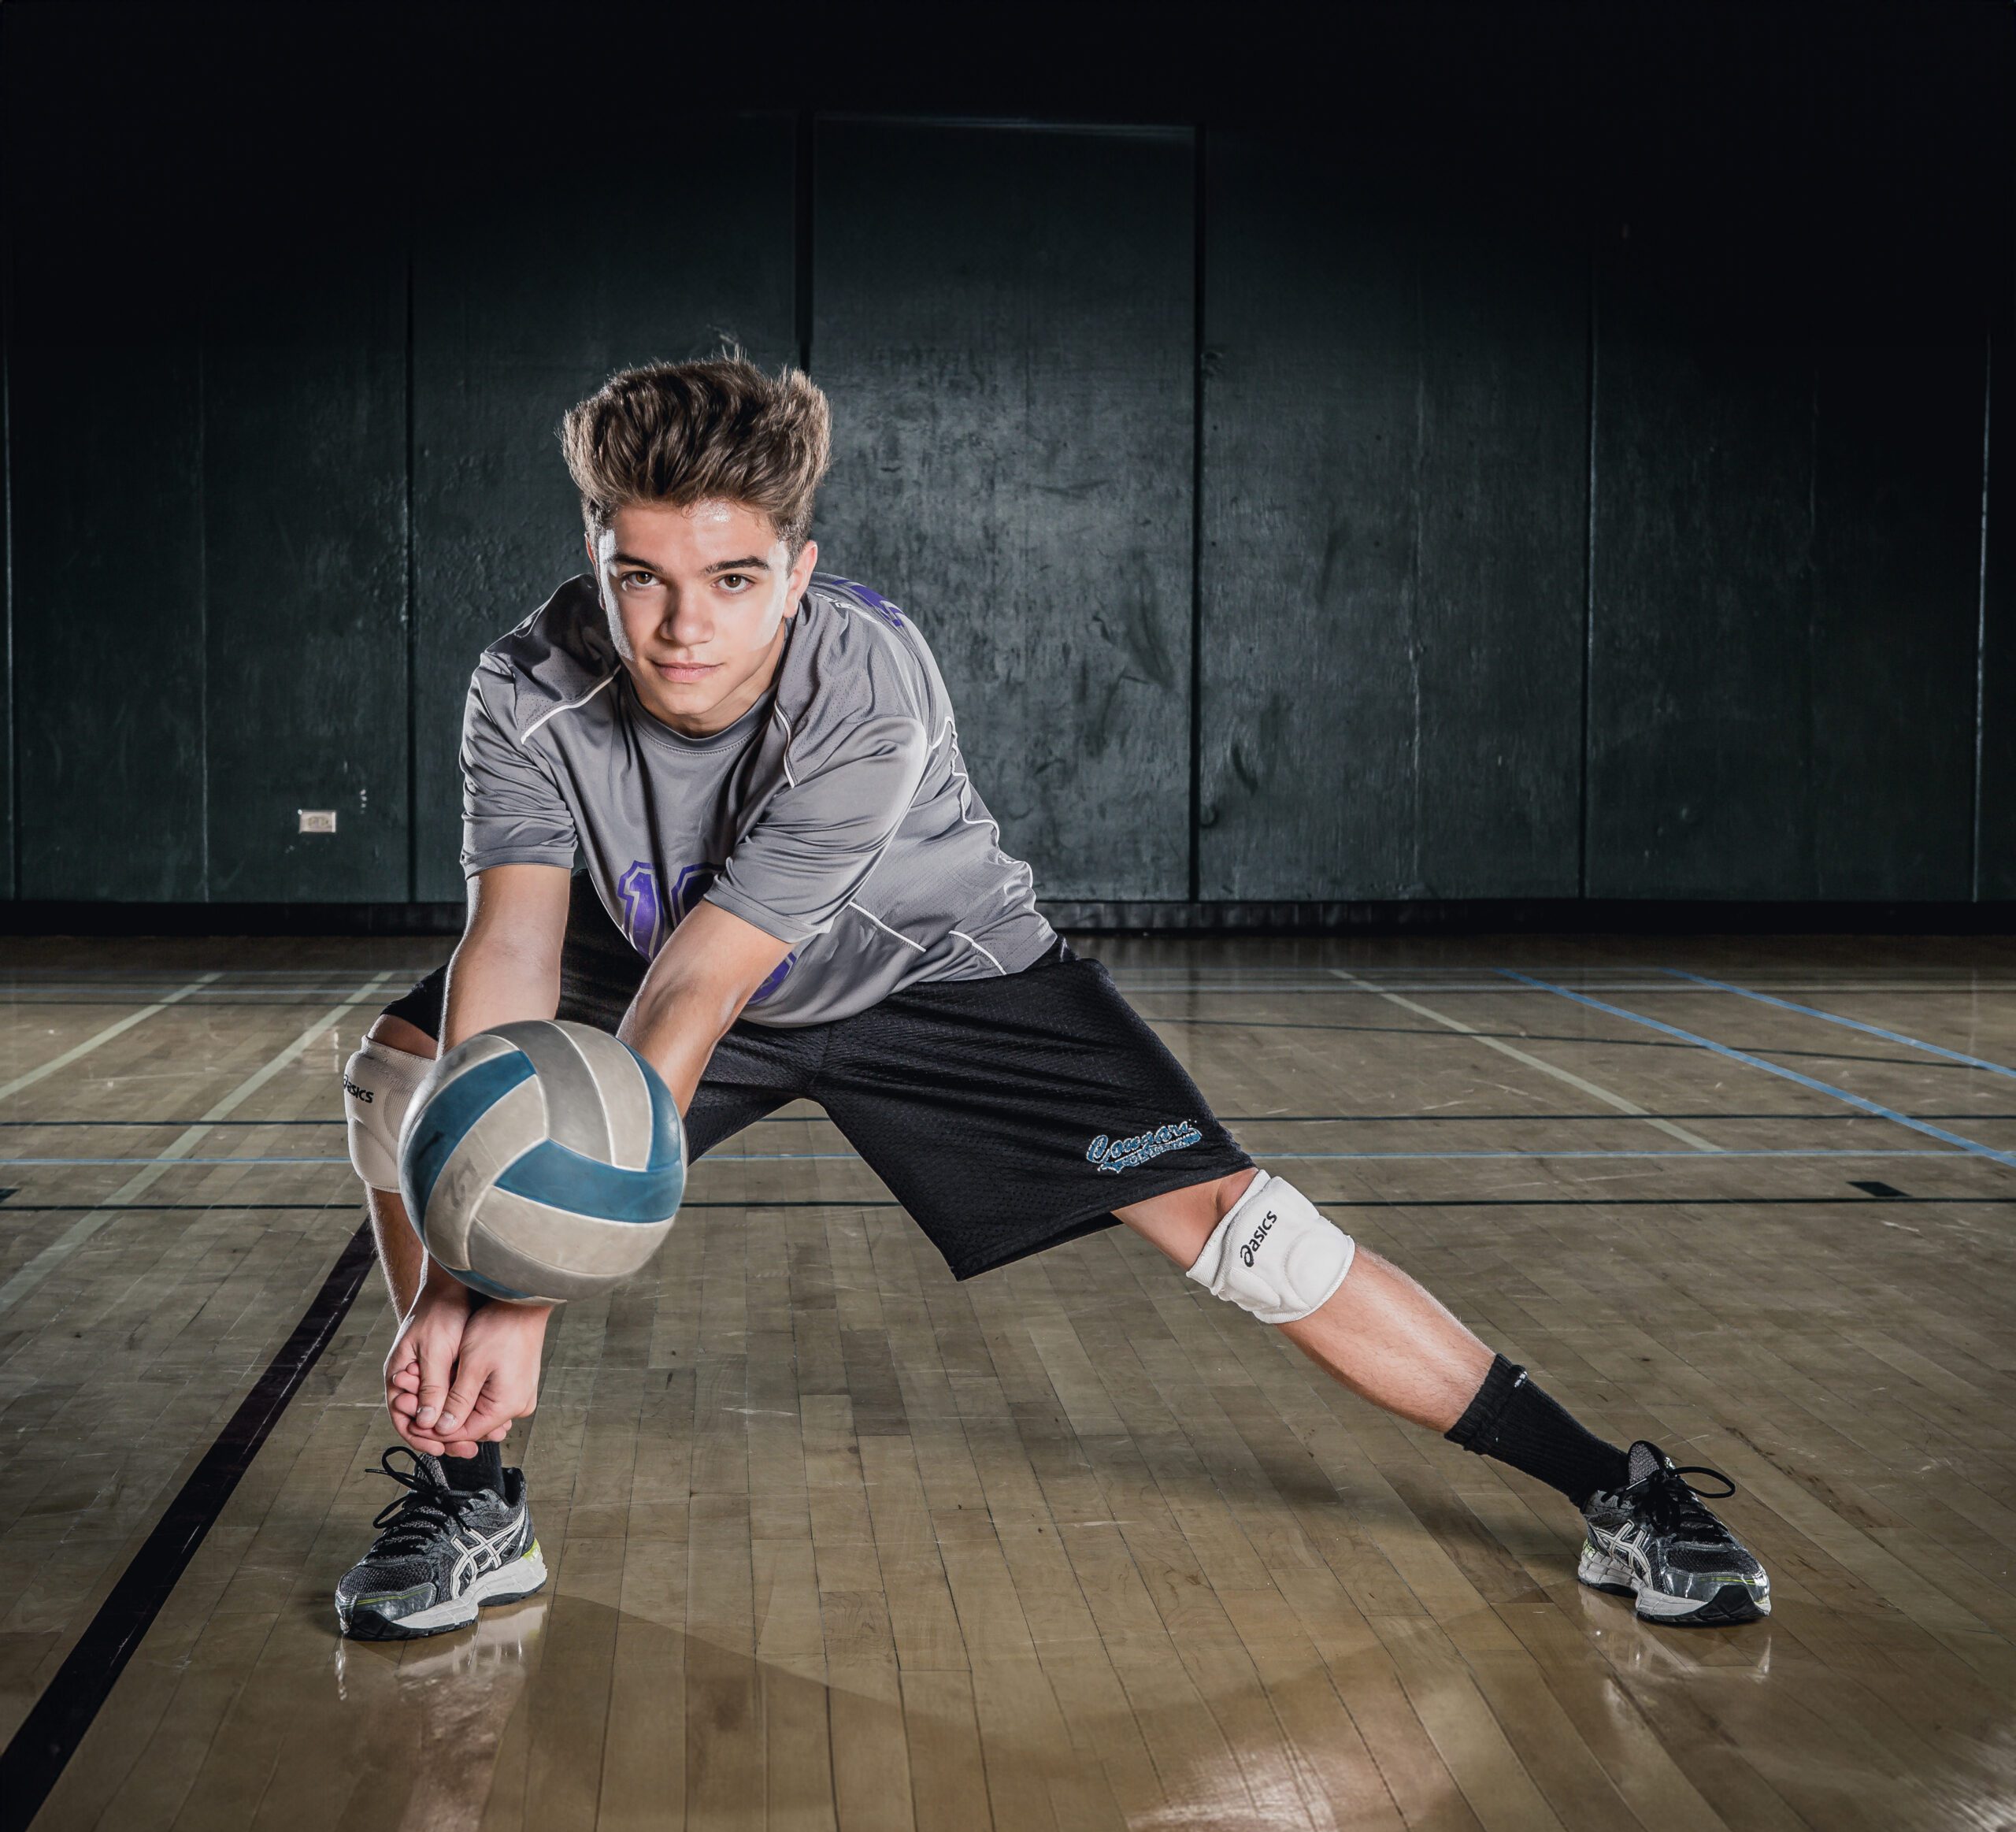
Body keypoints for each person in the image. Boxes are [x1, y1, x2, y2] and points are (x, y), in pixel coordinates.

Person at [333, 352, 1769, 1641]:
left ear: (801, 567)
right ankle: (472, 1496)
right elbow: (512, 955)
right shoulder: (526, 685)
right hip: (653, 948)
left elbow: (703, 993)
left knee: (1253, 1238)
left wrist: (523, 1284)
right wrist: (465, 1271)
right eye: (637, 576)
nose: (680, 629)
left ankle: (1612, 1490)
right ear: (595, 558)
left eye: (732, 581)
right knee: (408, 1076)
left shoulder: (867, 681)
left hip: (931, 977)